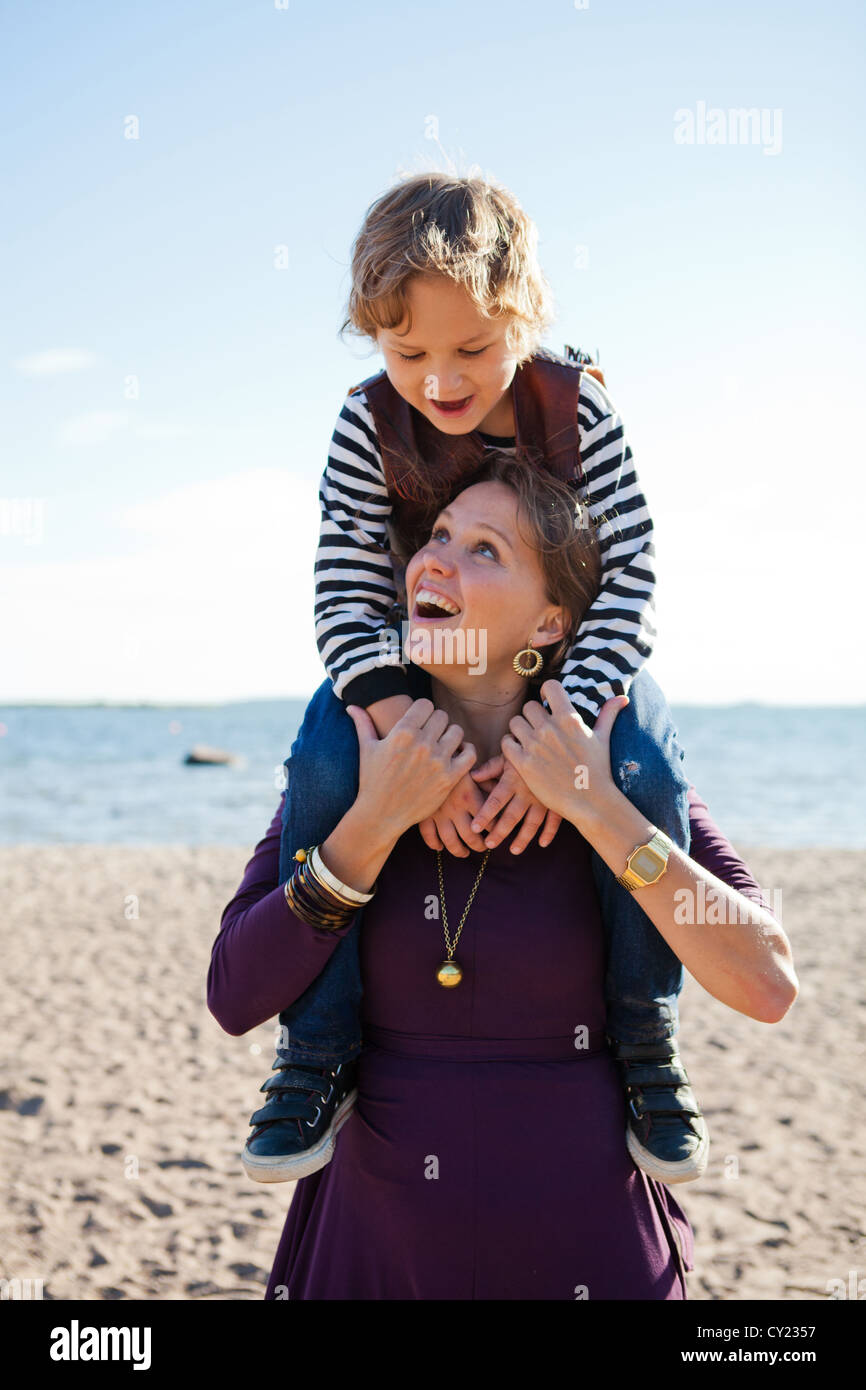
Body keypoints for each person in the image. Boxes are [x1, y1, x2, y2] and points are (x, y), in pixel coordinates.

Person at [207, 456, 798, 1300]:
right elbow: (233, 994)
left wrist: (595, 810)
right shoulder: (350, 764)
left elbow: (769, 983)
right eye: (438, 536)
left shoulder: (623, 772)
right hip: (375, 1253)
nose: (434, 560)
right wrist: (376, 822)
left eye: (485, 549)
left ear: (553, 623)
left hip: (592, 1250)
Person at [237, 171, 718, 1188]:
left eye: (470, 349)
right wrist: (417, 737)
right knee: (325, 761)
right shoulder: (365, 427)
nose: (439, 380)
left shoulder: (576, 405)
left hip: (565, 655)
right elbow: (343, 589)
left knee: (644, 771)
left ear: (527, 317)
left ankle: (645, 1041)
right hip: (416, 657)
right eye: (407, 353)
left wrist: (559, 730)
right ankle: (314, 1050)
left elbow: (630, 578)